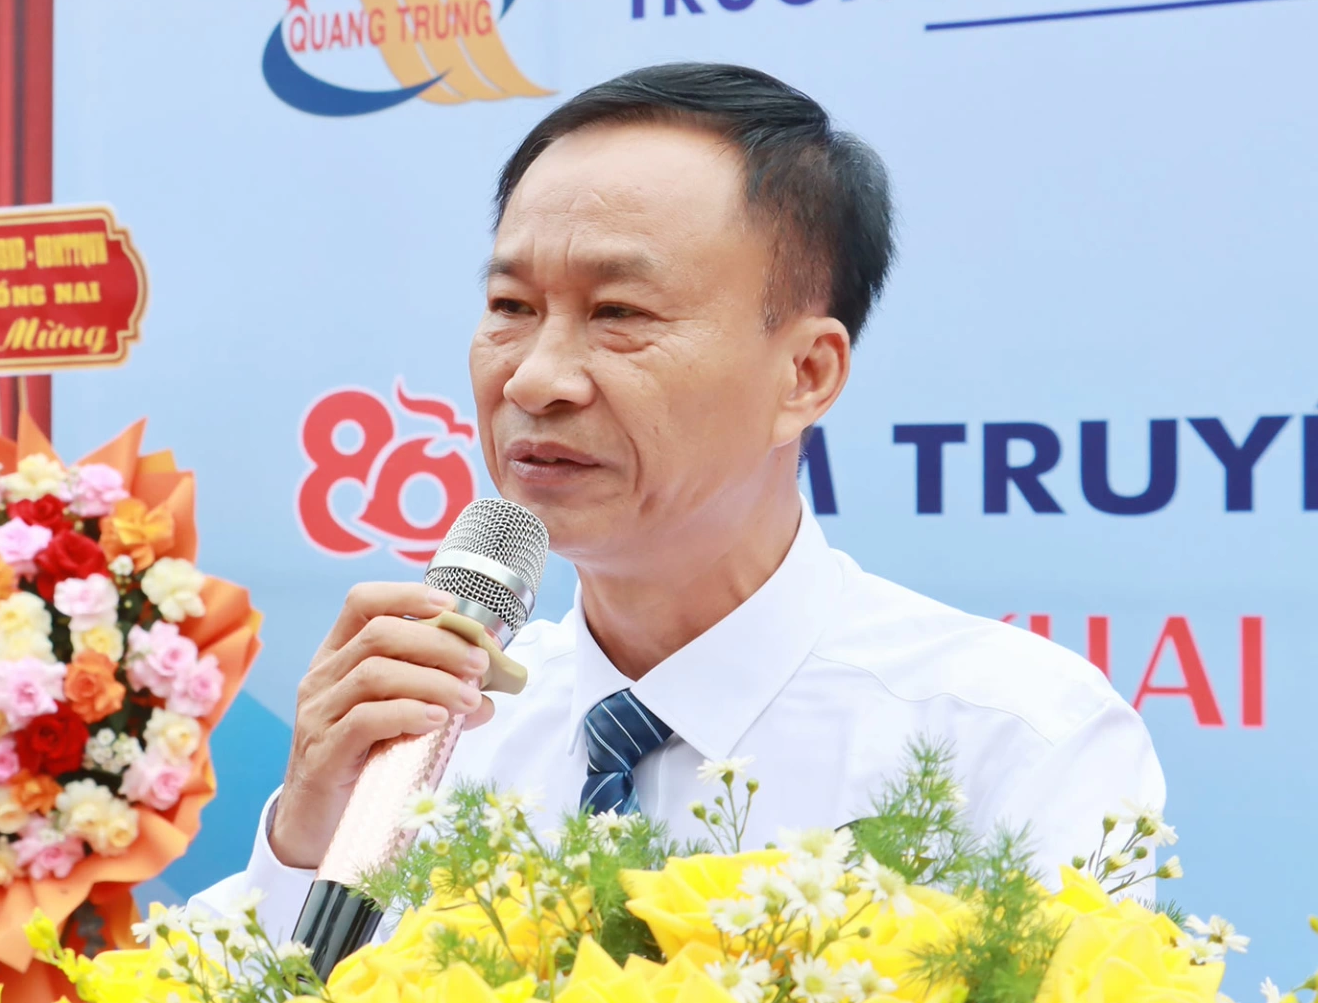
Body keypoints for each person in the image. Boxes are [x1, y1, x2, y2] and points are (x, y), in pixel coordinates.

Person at [191, 62, 1163, 935]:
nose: (536, 378)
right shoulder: (431, 734)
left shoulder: (1009, 739)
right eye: (510, 307)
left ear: (806, 375)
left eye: (619, 313)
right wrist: (310, 844)